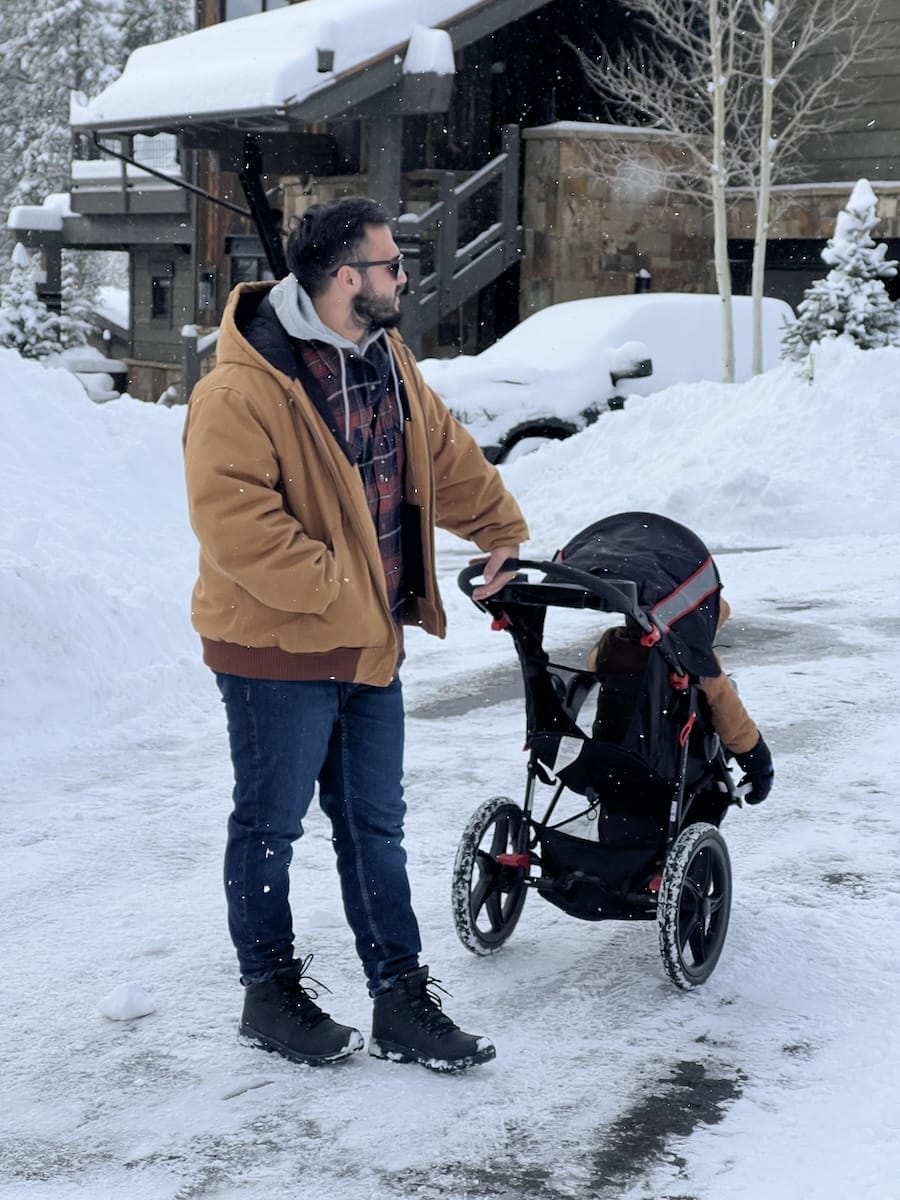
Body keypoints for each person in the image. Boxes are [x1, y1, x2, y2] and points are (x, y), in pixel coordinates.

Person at [182, 196, 528, 1072]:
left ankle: (401, 1002)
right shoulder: (242, 388)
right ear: (345, 278)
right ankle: (269, 995)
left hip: (368, 645)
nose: (403, 277)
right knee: (270, 826)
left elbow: (441, 454)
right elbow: (240, 528)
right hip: (276, 652)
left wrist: (499, 531)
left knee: (374, 827)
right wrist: (355, 596)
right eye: (390, 265)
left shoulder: (387, 358)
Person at [585, 599, 774, 803]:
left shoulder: (612, 644)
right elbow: (732, 719)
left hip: (611, 759)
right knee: (716, 711)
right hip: (668, 770)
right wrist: (757, 760)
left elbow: (592, 664)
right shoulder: (695, 660)